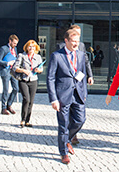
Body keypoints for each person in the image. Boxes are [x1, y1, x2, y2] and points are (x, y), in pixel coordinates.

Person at [47, 29, 87, 164]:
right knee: (63, 125)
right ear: (66, 41)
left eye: (78, 41)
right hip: (62, 95)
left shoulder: (81, 55)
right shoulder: (56, 56)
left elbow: (82, 74)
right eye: (73, 41)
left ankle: (67, 140)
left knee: (80, 120)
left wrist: (84, 93)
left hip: (78, 94)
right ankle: (63, 152)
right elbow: (50, 78)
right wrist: (53, 99)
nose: (76, 44)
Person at [57, 24, 94, 145]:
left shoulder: (81, 46)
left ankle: (70, 135)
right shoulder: (61, 47)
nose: (78, 36)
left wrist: (89, 75)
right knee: (68, 113)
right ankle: (68, 139)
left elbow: (85, 62)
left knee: (79, 117)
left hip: (78, 84)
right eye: (76, 33)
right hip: (66, 86)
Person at [12, 40, 43, 128]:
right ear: (27, 47)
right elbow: (15, 67)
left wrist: (38, 70)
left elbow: (41, 69)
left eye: (33, 47)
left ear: (35, 48)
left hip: (33, 80)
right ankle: (22, 119)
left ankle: (27, 121)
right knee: (26, 99)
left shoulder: (38, 57)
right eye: (30, 46)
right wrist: (23, 70)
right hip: (23, 80)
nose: (31, 48)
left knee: (31, 101)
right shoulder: (22, 56)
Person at [0, 34, 19, 115]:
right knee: (6, 89)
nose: (15, 45)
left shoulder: (15, 49)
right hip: (5, 71)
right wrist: (7, 63)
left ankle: (9, 104)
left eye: (16, 43)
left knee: (16, 88)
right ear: (10, 41)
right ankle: (3, 108)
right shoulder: (3, 49)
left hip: (13, 71)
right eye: (14, 43)